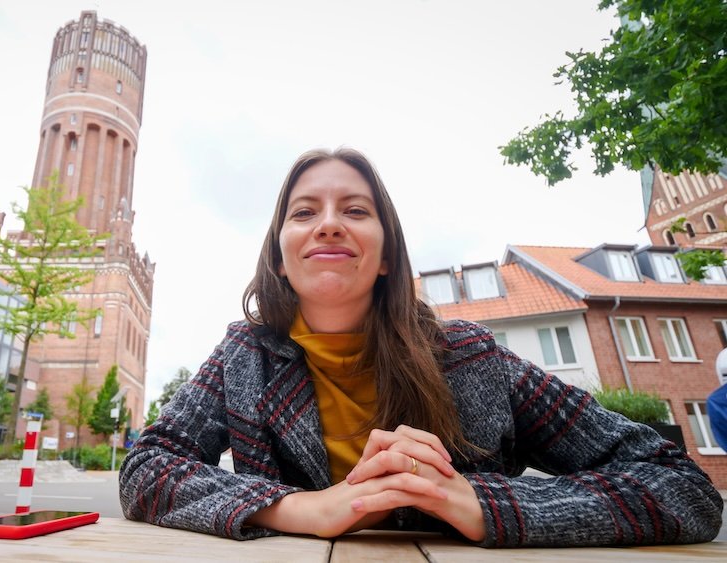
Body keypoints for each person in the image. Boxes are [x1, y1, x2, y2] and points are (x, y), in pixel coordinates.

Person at [118, 148, 723, 547]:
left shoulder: (471, 358)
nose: (329, 223)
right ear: (280, 254)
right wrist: (300, 508)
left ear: (385, 258)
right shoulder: (242, 358)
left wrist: (481, 503)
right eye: (305, 212)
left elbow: (683, 487)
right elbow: (146, 469)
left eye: (355, 210)